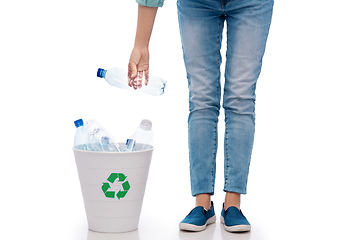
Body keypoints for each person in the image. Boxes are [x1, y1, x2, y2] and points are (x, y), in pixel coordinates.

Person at [128, 0, 274, 233]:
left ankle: (233, 204)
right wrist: (141, 43)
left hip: (251, 4)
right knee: (202, 98)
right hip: (196, 4)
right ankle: (202, 205)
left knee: (241, 97)